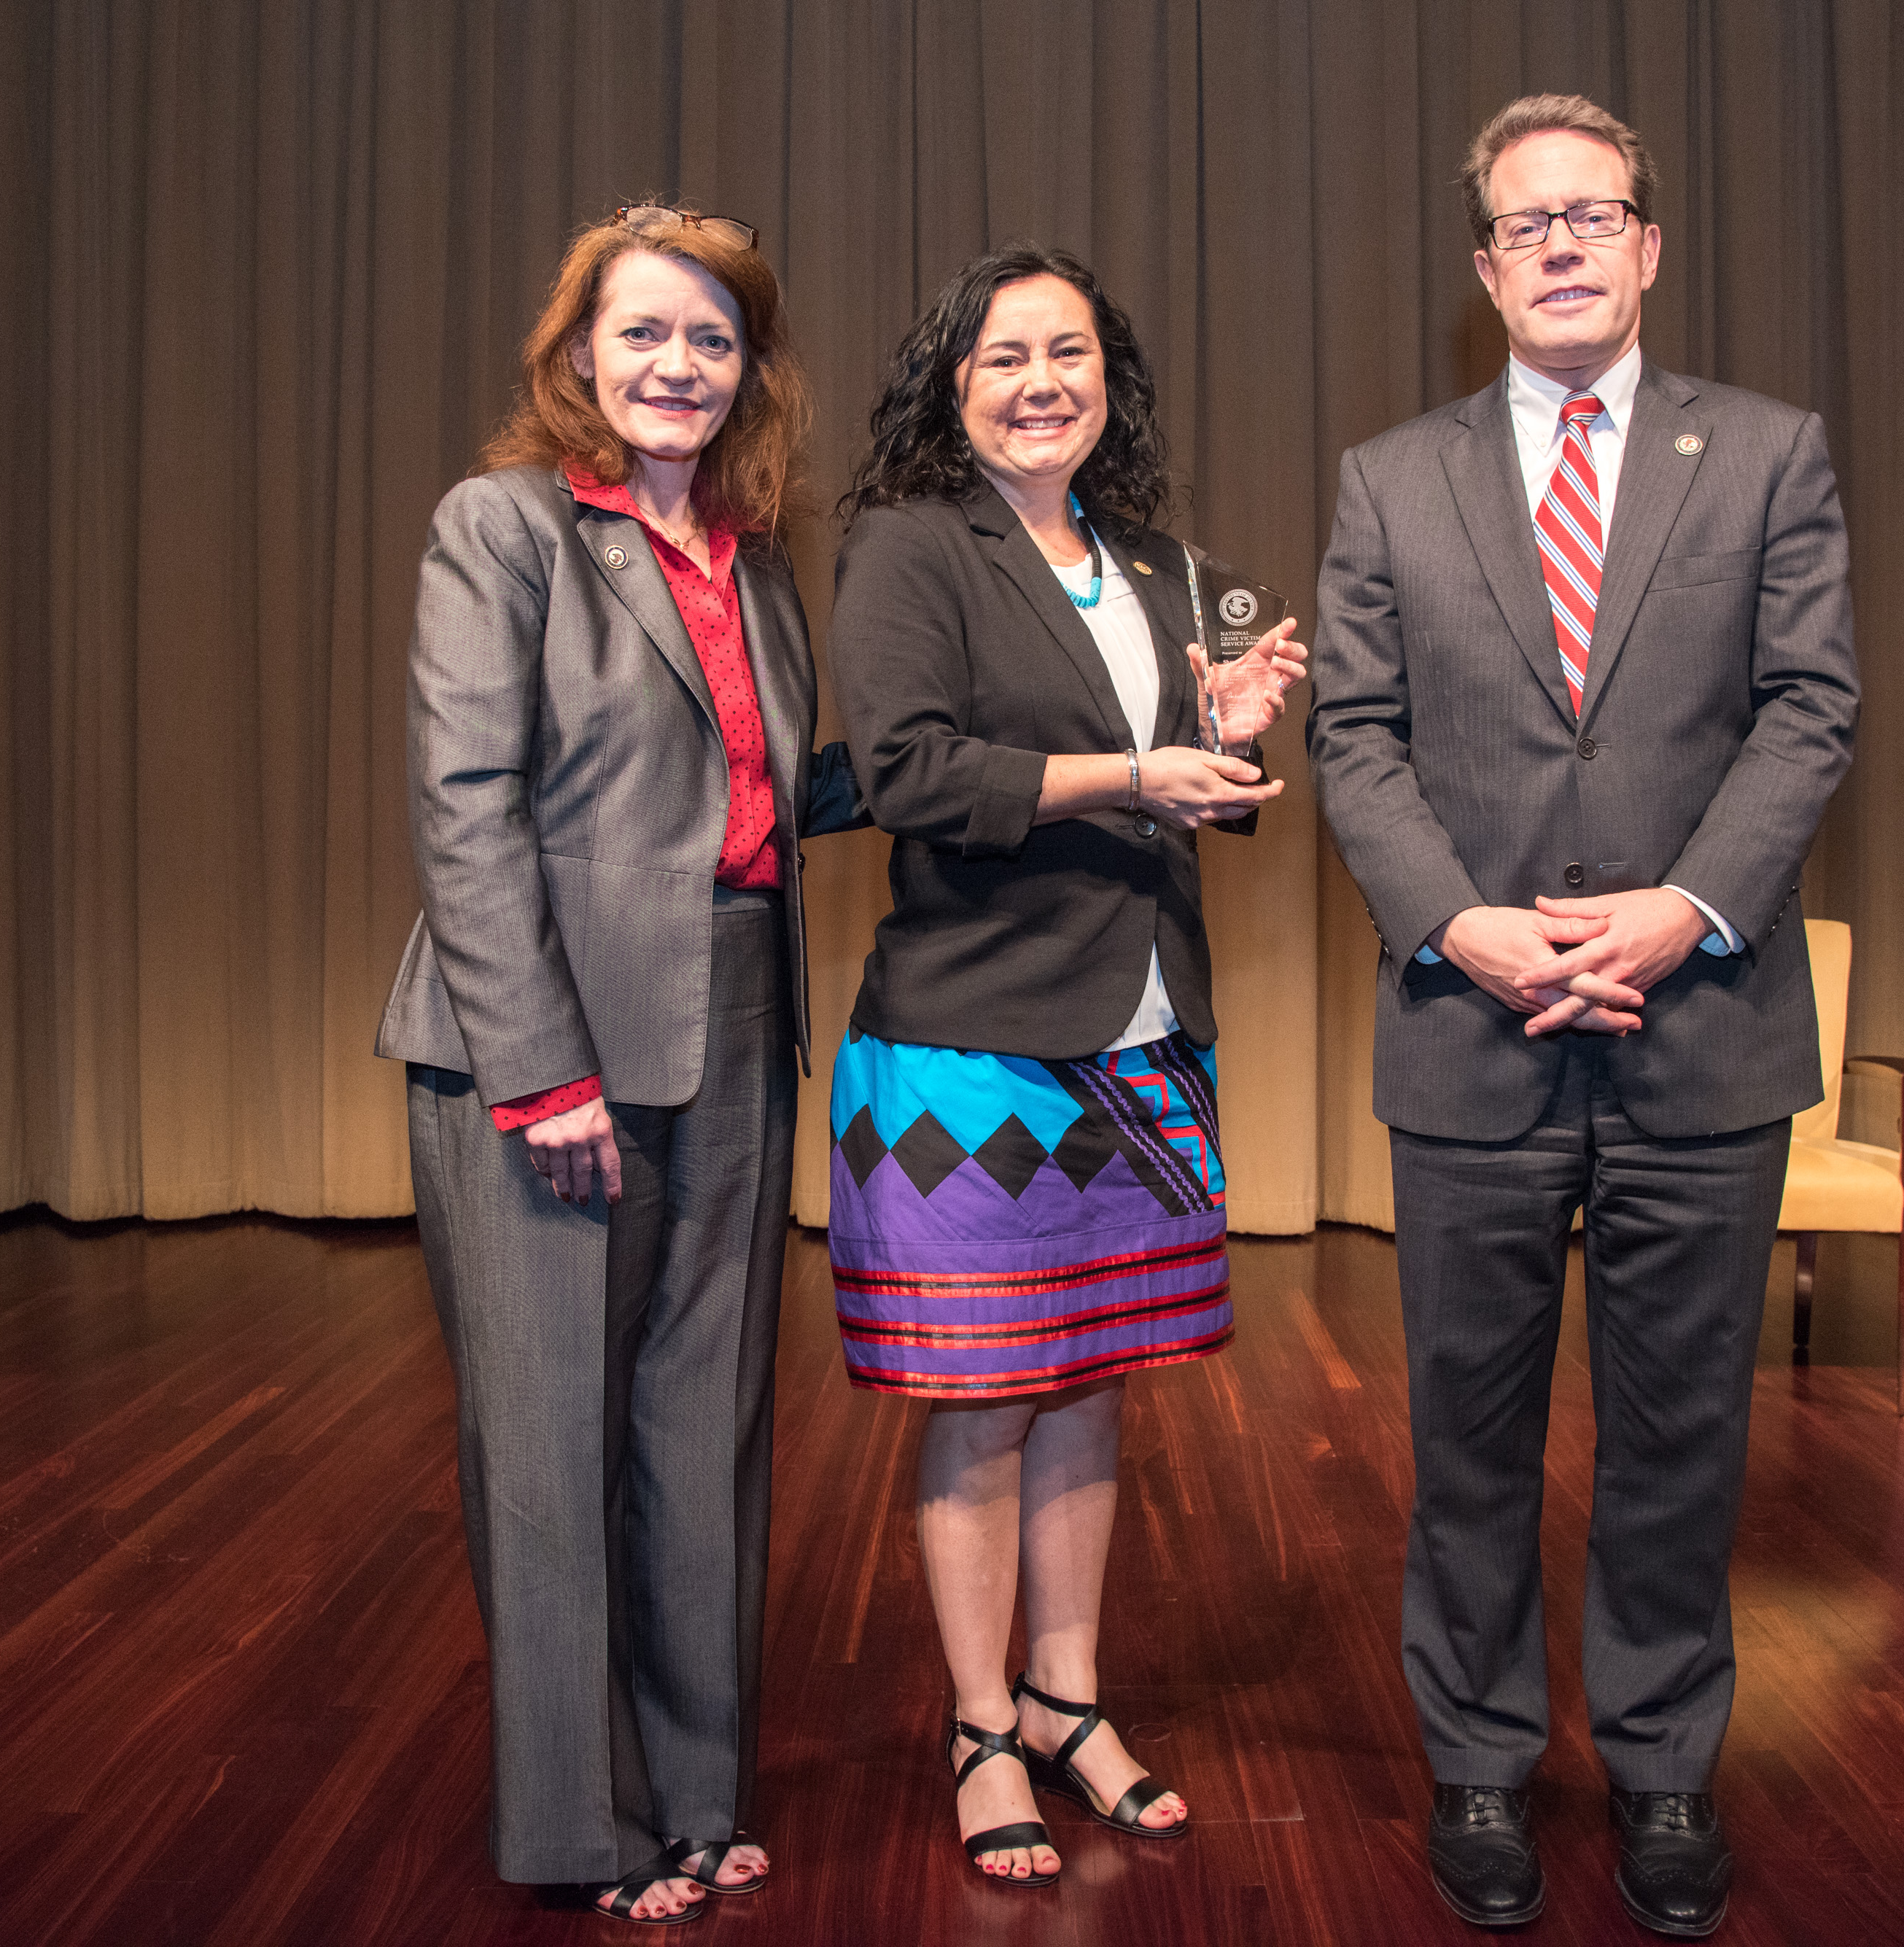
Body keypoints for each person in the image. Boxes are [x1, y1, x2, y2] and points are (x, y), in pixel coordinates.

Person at [1310, 96, 1860, 1937]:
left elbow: (1806, 711)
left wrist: (1681, 912)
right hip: (1469, 1037)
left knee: (1678, 1434)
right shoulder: (1391, 478)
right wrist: (1461, 926)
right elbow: (1354, 738)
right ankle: (1475, 1758)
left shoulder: (1768, 455)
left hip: (1698, 1038)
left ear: (1643, 250)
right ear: (1483, 269)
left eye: (1589, 215)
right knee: (1466, 1439)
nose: (1556, 244)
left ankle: (1662, 1770)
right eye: (1521, 223)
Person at [374, 203, 867, 1929]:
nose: (676, 366)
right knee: (550, 1441)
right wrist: (540, 1068)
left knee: (699, 1429)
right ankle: (580, 1823)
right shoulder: (501, 527)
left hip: (733, 1016)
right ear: (579, 351)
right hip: (545, 1043)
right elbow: (464, 808)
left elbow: (783, 793)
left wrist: (1079, 748)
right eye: (643, 333)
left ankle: (700, 1792)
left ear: (750, 371)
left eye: (712, 340)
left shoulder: (751, 547)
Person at [825, 244, 1309, 1887]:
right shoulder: (908, 544)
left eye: (1072, 353)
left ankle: (1067, 1700)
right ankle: (975, 1727)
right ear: (950, 386)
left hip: (1146, 1032)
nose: (1043, 381)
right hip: (967, 1051)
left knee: (1093, 1385)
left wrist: (1237, 736)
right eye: (1004, 356)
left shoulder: (1165, 566)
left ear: (1113, 378)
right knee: (982, 1402)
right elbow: (902, 767)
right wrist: (1131, 771)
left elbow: (1209, 795)